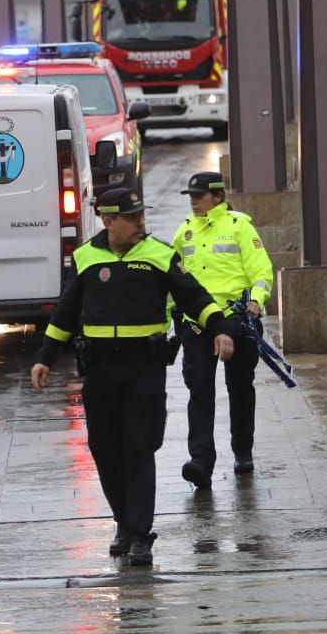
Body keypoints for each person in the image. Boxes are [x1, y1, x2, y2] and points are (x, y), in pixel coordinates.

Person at [32, 187, 232, 566]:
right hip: (101, 370)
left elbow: (194, 296)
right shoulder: (86, 258)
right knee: (104, 450)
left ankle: (140, 534)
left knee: (139, 448)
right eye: (132, 217)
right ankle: (124, 522)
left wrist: (220, 327)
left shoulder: (160, 255)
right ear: (109, 221)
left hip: (145, 369)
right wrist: (45, 356)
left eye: (142, 216)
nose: (141, 223)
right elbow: (66, 313)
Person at [170, 171, 274, 487]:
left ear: (217, 197)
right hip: (198, 324)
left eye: (198, 196)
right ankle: (201, 461)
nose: (193, 202)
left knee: (240, 388)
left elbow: (262, 270)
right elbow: (171, 282)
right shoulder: (184, 233)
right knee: (199, 390)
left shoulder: (240, 227)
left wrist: (256, 299)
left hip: (237, 319)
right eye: (190, 196)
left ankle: (242, 451)